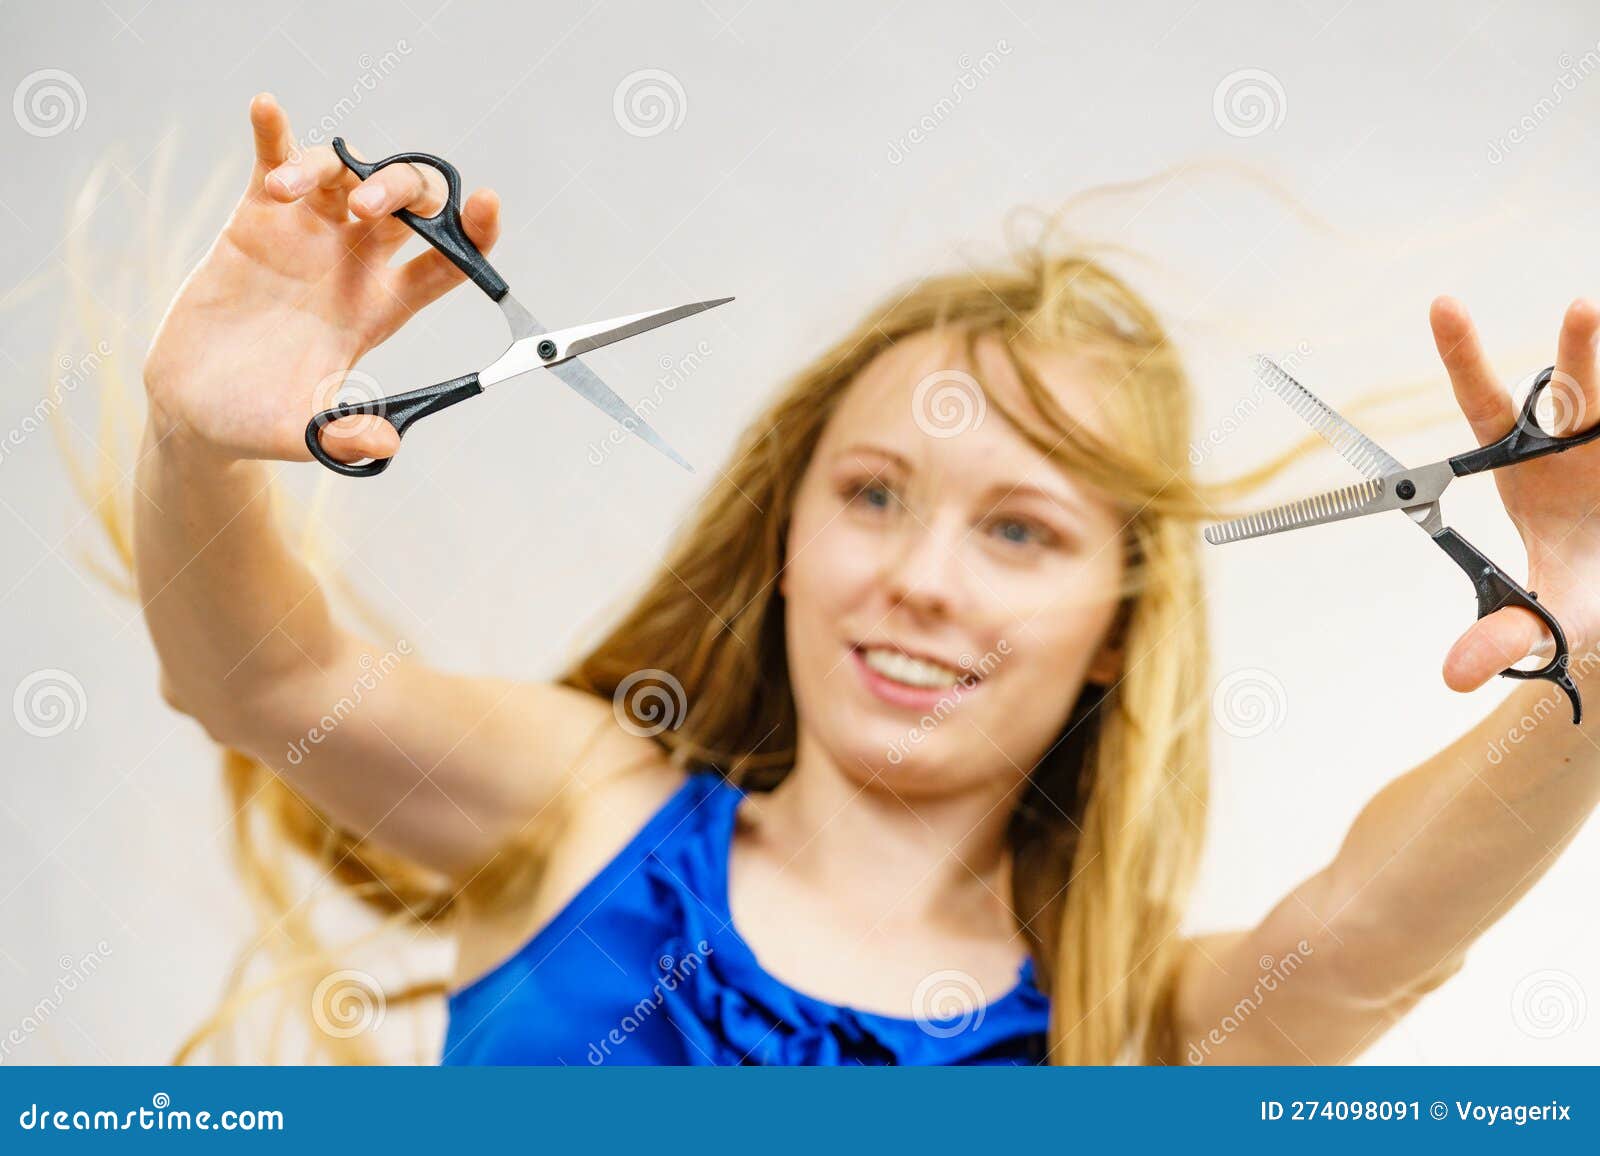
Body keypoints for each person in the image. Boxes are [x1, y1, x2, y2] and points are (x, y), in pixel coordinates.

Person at [128, 93, 1600, 1064]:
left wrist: (1589, 662)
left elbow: (1361, 938)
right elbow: (265, 678)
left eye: (1019, 531)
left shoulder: (1138, 1037)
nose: (920, 581)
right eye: (874, 494)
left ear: (1115, 630)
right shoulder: (580, 810)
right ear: (785, 539)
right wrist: (198, 445)